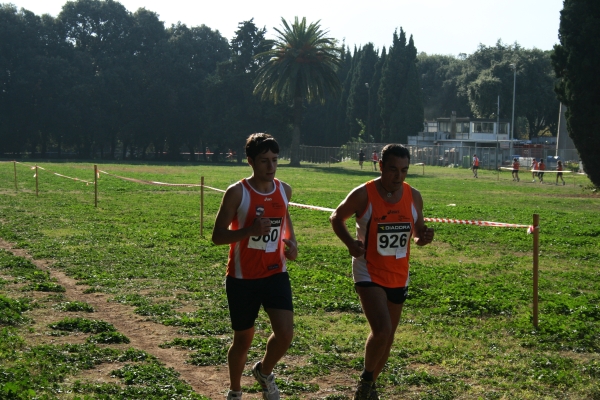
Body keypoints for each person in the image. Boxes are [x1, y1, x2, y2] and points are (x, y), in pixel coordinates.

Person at [329, 144, 434, 400]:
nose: (398, 176)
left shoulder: (414, 196)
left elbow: (418, 233)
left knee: (388, 339)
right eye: (393, 170)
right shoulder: (363, 194)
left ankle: (368, 387)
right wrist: (351, 244)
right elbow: (336, 217)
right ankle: (366, 381)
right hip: (368, 271)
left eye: (404, 170)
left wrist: (423, 238)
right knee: (382, 330)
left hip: (398, 273)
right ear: (381, 167)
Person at [212, 133, 298, 400]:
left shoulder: (284, 190)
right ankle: (235, 391)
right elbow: (217, 236)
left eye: (275, 160)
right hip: (242, 277)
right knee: (243, 340)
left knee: (285, 334)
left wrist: (292, 243)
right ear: (250, 161)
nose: (271, 167)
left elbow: (285, 220)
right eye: (264, 161)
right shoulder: (237, 192)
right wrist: (249, 230)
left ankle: (264, 371)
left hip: (275, 273)